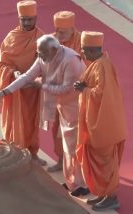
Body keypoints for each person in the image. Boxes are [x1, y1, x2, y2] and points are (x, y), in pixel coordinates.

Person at [0, 35, 89, 197]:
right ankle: (73, 182)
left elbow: (66, 88)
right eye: (39, 53)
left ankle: (82, 184)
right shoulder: (45, 56)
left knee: (75, 147)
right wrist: (4, 92)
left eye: (42, 53)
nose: (39, 57)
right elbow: (27, 76)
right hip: (64, 107)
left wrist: (41, 84)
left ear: (54, 50)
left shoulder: (71, 60)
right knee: (68, 146)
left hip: (78, 107)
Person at [74, 31, 126, 211]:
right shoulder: (97, 63)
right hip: (95, 122)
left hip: (104, 126)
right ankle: (103, 194)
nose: (83, 54)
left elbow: (102, 95)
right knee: (99, 161)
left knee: (105, 164)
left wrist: (84, 89)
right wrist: (84, 88)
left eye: (85, 51)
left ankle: (111, 197)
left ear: (94, 49)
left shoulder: (103, 66)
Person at [0, 0, 46, 165]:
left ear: (36, 18)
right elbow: (0, 63)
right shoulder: (12, 37)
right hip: (14, 87)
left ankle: (32, 153)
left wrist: (35, 79)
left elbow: (47, 62)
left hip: (33, 89)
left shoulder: (41, 38)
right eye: (23, 19)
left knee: (31, 121)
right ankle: (14, 153)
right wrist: (12, 73)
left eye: (29, 19)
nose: (26, 23)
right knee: (14, 121)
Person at [47, 10, 82, 172]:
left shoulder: (83, 41)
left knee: (75, 131)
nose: (59, 34)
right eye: (57, 30)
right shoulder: (52, 40)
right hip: (58, 94)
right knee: (57, 130)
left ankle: (79, 166)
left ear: (71, 29)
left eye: (63, 32)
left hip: (76, 96)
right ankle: (62, 161)